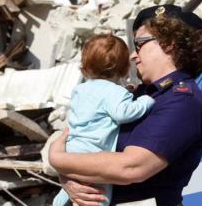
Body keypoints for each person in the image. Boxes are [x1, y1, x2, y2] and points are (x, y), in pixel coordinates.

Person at [48, 4, 202, 206]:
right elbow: (88, 144)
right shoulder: (144, 94)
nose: (134, 55)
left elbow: (131, 167)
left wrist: (57, 159)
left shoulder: (183, 101)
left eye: (140, 44)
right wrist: (69, 179)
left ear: (168, 43)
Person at [52, 34, 155, 206]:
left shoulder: (80, 90)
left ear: (84, 67)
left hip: (73, 149)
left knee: (72, 190)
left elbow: (98, 106)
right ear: (124, 70)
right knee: (98, 196)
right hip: (94, 153)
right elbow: (124, 113)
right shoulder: (115, 93)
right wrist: (146, 101)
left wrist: (125, 92)